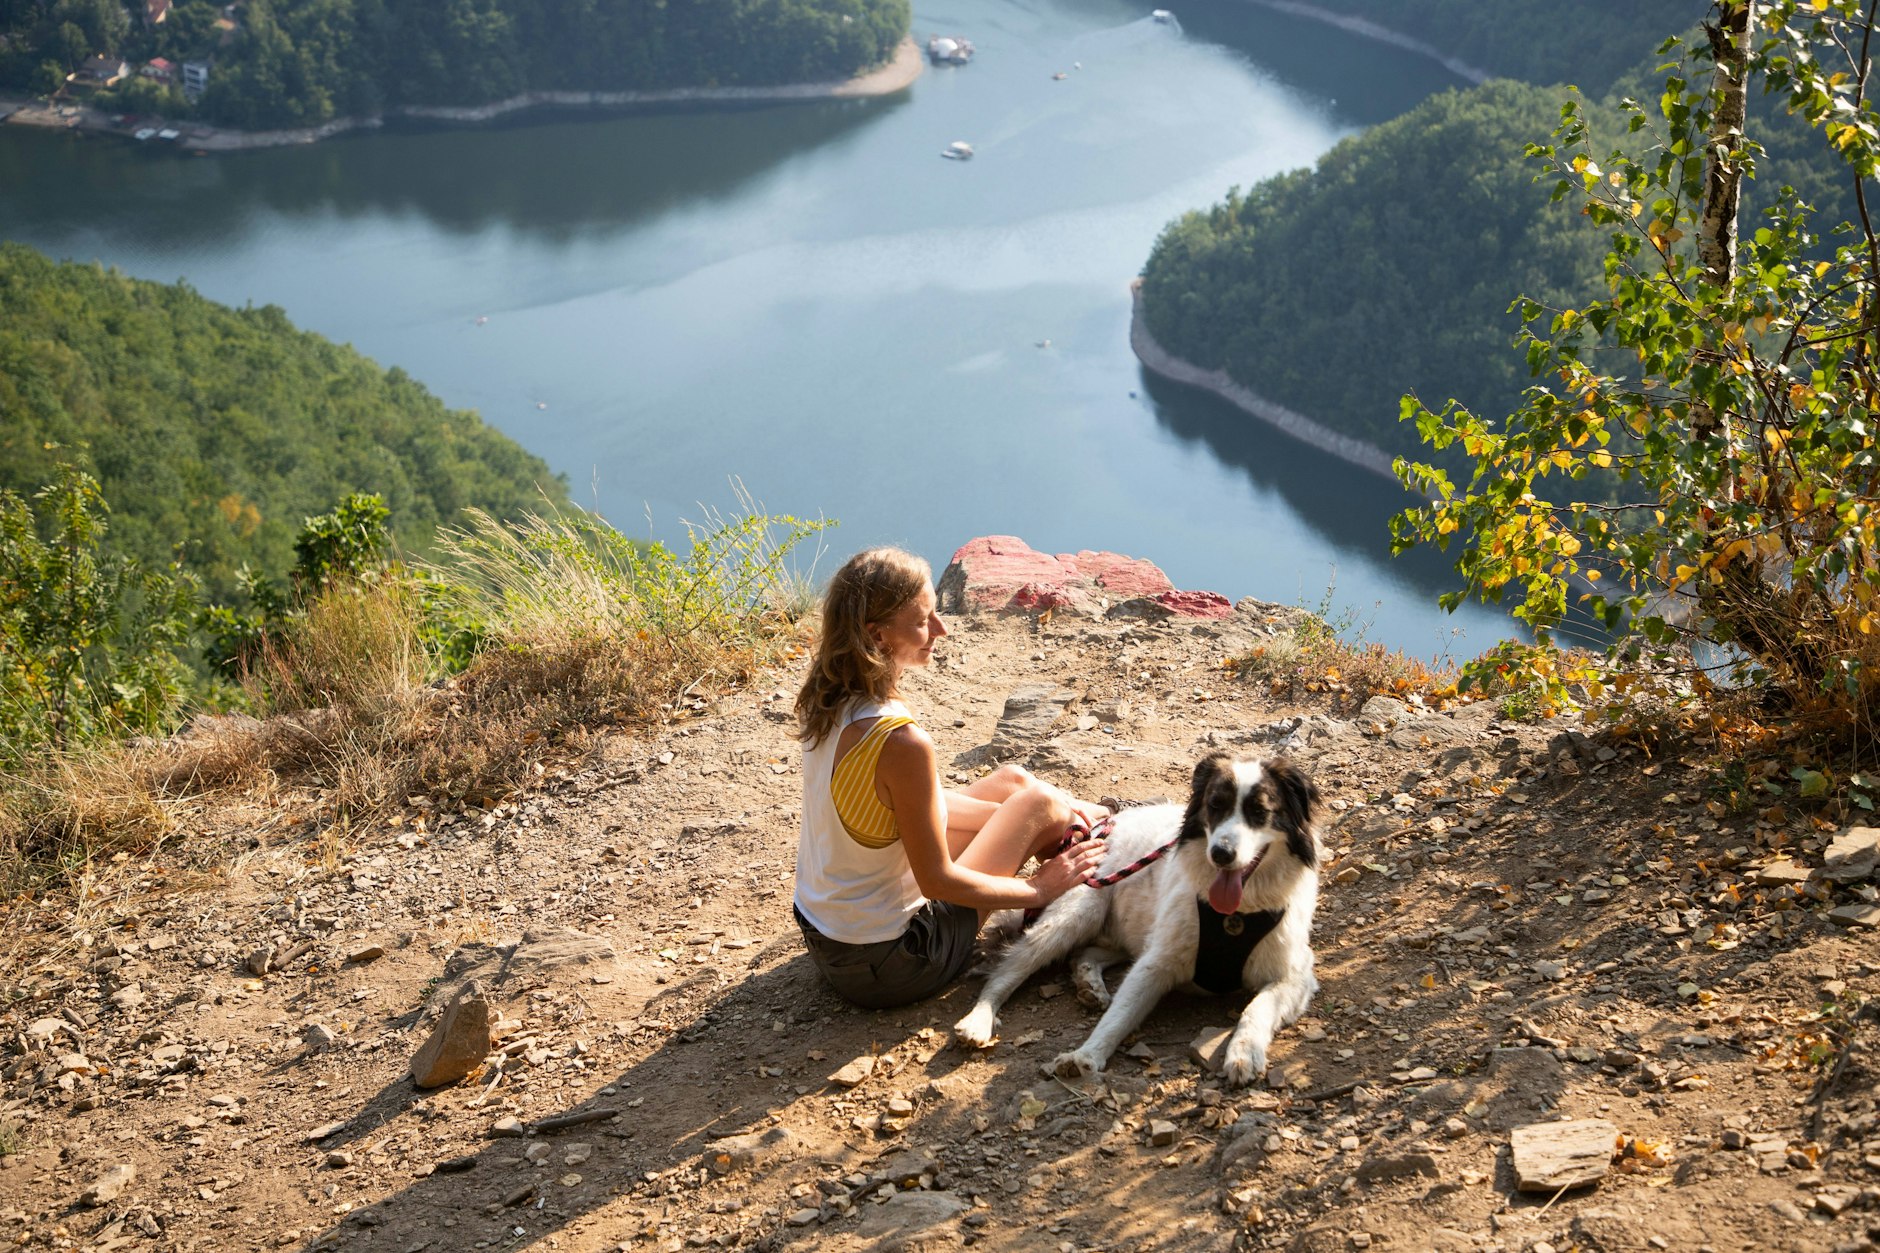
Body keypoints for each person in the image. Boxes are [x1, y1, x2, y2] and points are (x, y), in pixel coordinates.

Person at [792, 547, 1110, 1009]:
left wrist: (1022, 809)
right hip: (893, 963)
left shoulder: (828, 699)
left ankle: (1082, 829)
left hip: (829, 937)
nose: (941, 629)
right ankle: (1089, 894)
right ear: (877, 635)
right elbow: (937, 881)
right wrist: (1038, 887)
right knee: (1039, 805)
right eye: (923, 620)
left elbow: (901, 804)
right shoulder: (901, 742)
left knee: (1014, 783)